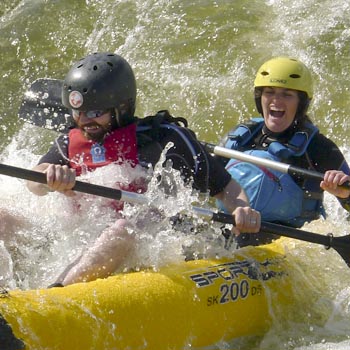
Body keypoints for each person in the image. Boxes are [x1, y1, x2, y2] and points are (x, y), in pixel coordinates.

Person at [26, 52, 261, 286]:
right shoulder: (70, 141)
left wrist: (242, 210)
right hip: (83, 235)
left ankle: (55, 296)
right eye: (78, 112)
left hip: (147, 236)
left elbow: (224, 186)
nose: (85, 120)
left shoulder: (165, 139)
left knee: (123, 228)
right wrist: (48, 177)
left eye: (95, 113)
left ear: (123, 107)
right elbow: (33, 182)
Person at [216, 56, 350, 246]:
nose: (276, 100)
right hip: (230, 226)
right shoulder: (241, 137)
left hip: (284, 240)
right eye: (269, 92)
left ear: (301, 103)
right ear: (259, 98)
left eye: (287, 94)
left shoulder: (319, 148)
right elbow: (207, 180)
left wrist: (344, 193)